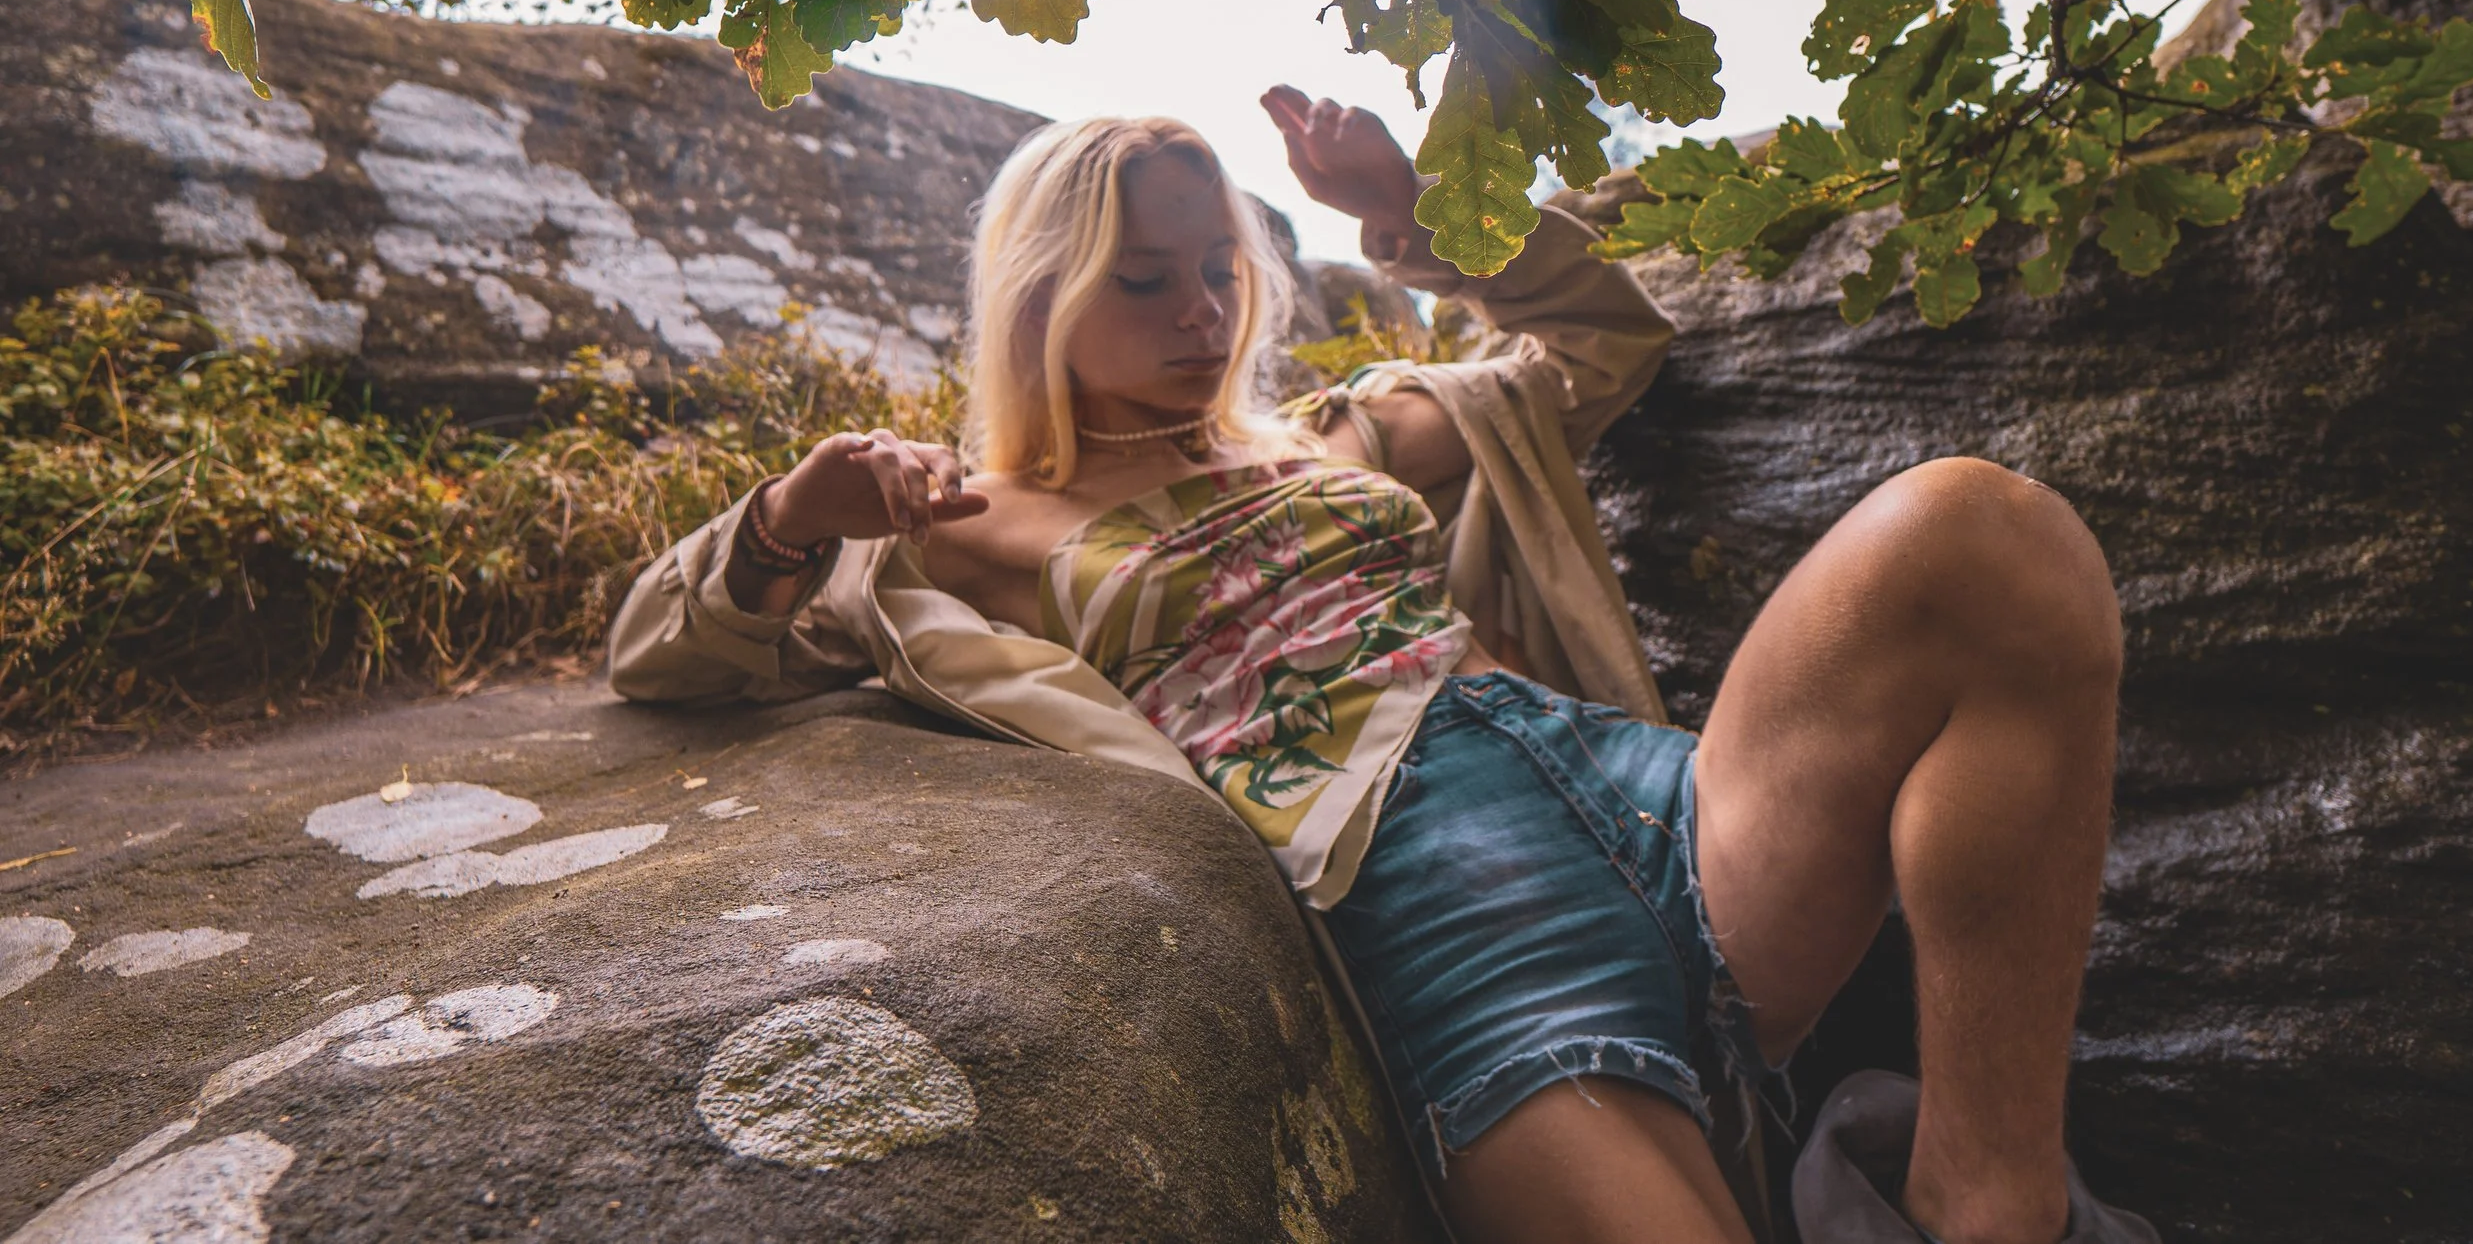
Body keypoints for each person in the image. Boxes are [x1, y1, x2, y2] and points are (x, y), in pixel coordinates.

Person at [609, 93, 2154, 1244]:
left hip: (1644, 792)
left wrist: (1424, 213)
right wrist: (794, 509)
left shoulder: (1333, 433)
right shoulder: (956, 528)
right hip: (1426, 902)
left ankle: (1991, 1191)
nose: (1202, 313)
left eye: (1217, 267)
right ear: (1038, 295)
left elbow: (1605, 350)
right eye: (1143, 281)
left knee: (1981, 532)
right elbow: (664, 657)